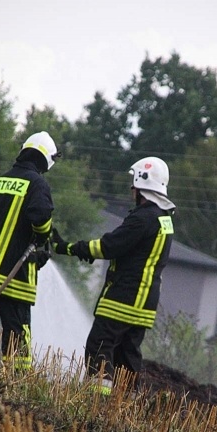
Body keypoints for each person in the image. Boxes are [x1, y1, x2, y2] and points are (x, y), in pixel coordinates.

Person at [52, 156, 175, 395]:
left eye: (134, 184)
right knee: (127, 356)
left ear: (140, 185)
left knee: (99, 346)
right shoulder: (165, 219)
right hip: (145, 305)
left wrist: (68, 247)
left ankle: (97, 401)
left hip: (122, 297)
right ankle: (125, 405)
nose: (132, 190)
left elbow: (108, 246)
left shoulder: (142, 218)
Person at [0, 131, 59, 371]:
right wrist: (43, 238)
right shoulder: (38, 183)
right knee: (16, 334)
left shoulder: (2, 180)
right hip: (14, 278)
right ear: (45, 159)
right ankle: (16, 381)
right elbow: (40, 216)